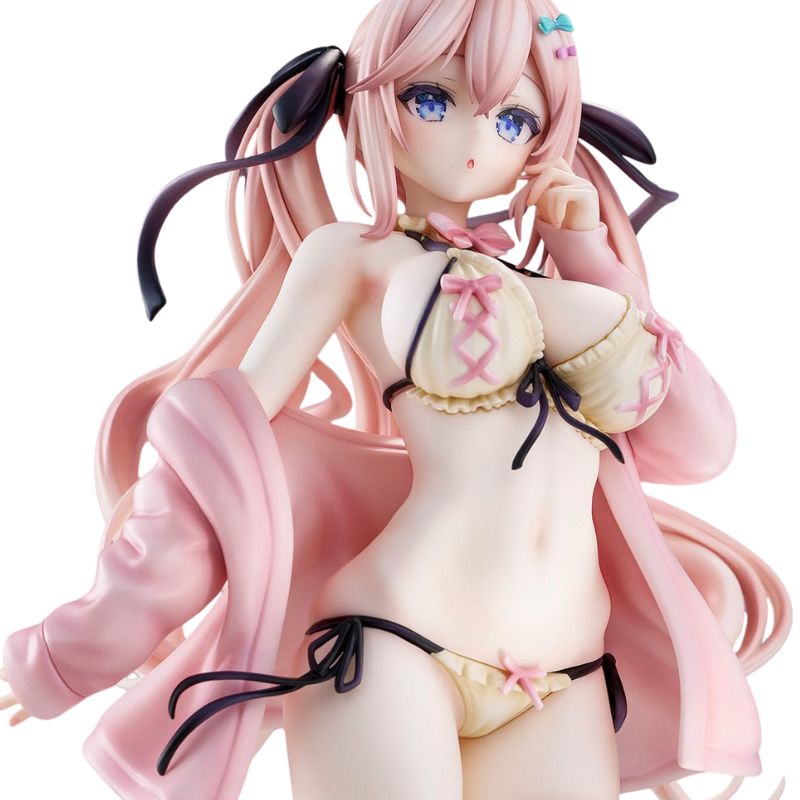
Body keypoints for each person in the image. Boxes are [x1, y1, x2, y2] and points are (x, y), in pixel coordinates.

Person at [0, 1, 791, 798]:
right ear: (369, 103)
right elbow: (217, 449)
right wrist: (72, 650)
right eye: (433, 99)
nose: (477, 138)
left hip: (561, 673)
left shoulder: (563, 278)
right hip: (393, 640)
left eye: (514, 119)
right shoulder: (356, 255)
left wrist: (587, 253)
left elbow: (704, 447)